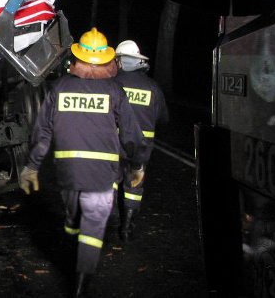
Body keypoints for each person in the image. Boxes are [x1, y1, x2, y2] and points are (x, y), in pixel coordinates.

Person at [19, 27, 147, 296]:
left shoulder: (59, 87)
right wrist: (137, 165)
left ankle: (73, 260)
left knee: (74, 221)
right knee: (93, 227)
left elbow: (42, 132)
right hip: (102, 175)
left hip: (68, 173)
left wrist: (32, 166)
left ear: (77, 58)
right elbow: (131, 135)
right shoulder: (114, 91)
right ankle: (80, 284)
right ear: (107, 60)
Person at [113, 40, 169, 242]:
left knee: (111, 182)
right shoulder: (153, 87)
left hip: (115, 145)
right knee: (134, 187)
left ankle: (109, 223)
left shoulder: (113, 84)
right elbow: (163, 118)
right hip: (142, 150)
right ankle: (127, 228)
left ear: (120, 61)